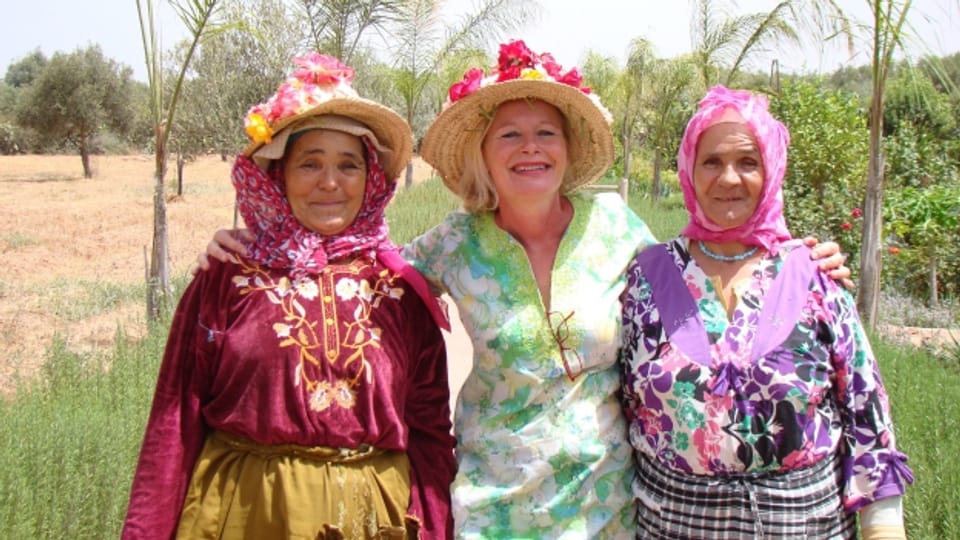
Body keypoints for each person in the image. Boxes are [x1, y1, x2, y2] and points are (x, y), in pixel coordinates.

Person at [198, 41, 849, 539]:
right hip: (493, 508)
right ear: (485, 153)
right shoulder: (449, 246)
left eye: (546, 133)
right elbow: (350, 267)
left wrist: (790, 260)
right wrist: (254, 251)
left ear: (567, 150)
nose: (529, 148)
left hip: (609, 509)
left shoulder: (616, 228)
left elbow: (700, 276)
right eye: (510, 134)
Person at [122, 53, 456, 540]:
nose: (330, 182)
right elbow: (174, 422)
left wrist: (434, 529)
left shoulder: (399, 288)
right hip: (244, 516)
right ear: (277, 177)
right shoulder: (225, 276)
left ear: (371, 180)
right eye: (309, 164)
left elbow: (429, 432)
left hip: (373, 520)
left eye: (348, 165)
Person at [620, 85, 913, 539]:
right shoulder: (646, 277)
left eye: (748, 162)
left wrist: (882, 526)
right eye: (712, 161)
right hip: (671, 525)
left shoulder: (811, 274)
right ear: (689, 170)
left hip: (805, 526)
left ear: (772, 170)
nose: (729, 179)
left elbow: (865, 409)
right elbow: (611, 405)